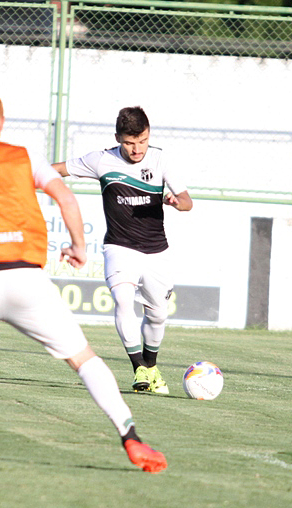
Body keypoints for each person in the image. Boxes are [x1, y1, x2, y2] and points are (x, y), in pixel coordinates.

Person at [0, 89, 167, 473]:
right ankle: (131, 437)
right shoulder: (25, 156)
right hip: (28, 279)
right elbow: (66, 198)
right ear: (2, 125)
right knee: (84, 358)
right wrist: (79, 246)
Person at [52, 106, 193, 394]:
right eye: (129, 143)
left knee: (158, 315)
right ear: (118, 138)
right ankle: (139, 367)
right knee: (123, 299)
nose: (136, 148)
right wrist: (19, 177)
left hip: (156, 251)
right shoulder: (101, 160)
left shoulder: (160, 159)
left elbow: (188, 200)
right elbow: (58, 170)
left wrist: (177, 202)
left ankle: (150, 368)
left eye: (141, 141)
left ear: (148, 135)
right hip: (119, 246)